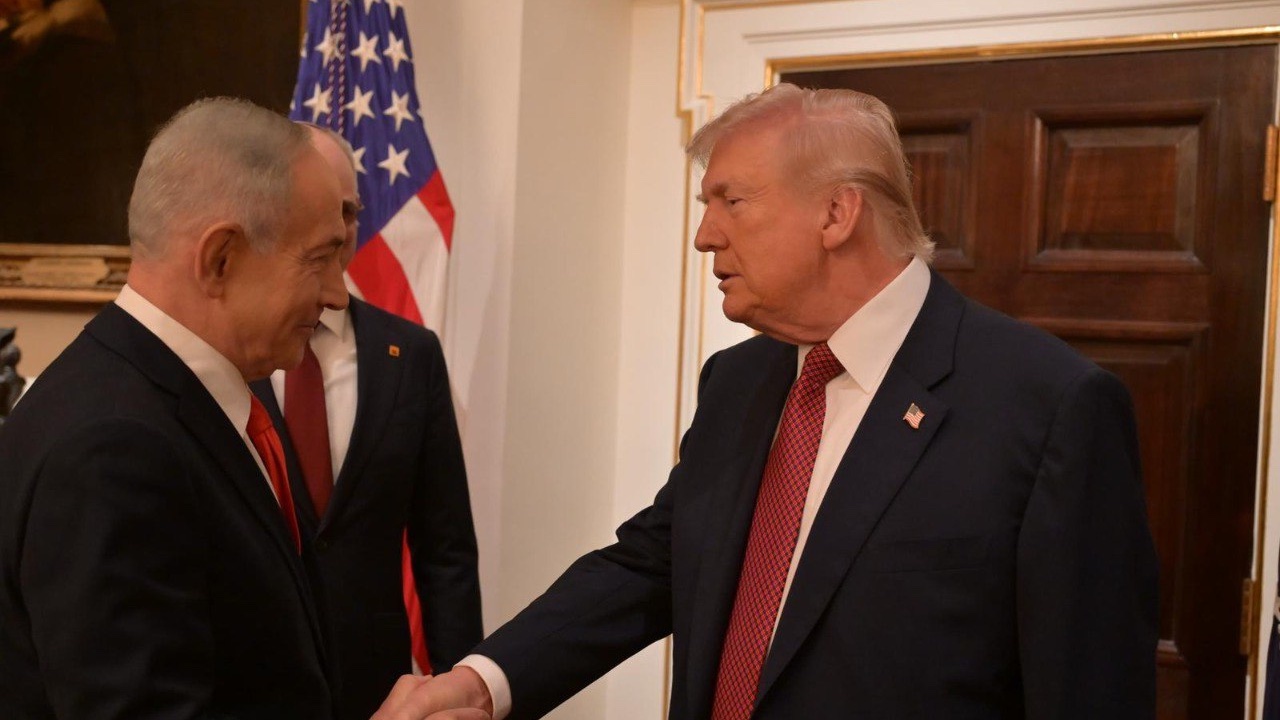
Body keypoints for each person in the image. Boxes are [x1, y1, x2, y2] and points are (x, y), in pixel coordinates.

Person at [394, 83, 1160, 719]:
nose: (703, 235)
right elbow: (653, 566)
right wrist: (484, 681)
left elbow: (1089, 688)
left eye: (731, 201)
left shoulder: (1049, 405)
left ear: (836, 214)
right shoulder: (739, 383)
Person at [0, 97, 482, 720]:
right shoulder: (114, 447)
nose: (338, 293)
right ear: (220, 258)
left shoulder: (177, 400)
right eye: (318, 259)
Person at [249, 124, 482, 720]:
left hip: (376, 680)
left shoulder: (412, 355)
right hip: (255, 673)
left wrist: (460, 682)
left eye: (351, 210)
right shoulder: (234, 350)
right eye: (326, 212)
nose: (343, 228)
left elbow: (445, 547)